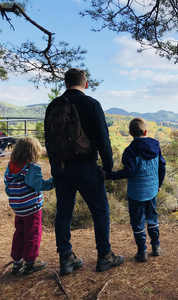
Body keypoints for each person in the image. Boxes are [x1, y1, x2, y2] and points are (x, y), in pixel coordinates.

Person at [44, 68, 124, 275]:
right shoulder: (91, 104)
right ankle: (104, 256)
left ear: (65, 83)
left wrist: (55, 168)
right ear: (85, 84)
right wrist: (107, 167)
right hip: (86, 167)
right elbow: (103, 140)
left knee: (63, 212)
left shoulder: (54, 106)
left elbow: (49, 141)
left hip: (61, 169)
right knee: (100, 211)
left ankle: (66, 257)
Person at [104, 117, 166, 262]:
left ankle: (142, 251)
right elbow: (162, 166)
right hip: (152, 191)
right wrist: (159, 184)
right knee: (152, 218)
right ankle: (156, 246)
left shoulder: (130, 150)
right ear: (146, 131)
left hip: (136, 193)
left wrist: (108, 176)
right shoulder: (156, 146)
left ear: (130, 132)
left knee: (137, 222)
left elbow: (128, 172)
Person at [4, 137, 55, 275]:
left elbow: (8, 187)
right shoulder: (31, 168)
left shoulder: (10, 167)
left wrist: (15, 197)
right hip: (32, 208)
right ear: (33, 153)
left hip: (18, 208)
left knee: (19, 233)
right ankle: (30, 262)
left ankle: (17, 262)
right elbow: (40, 185)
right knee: (33, 234)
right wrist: (54, 181)